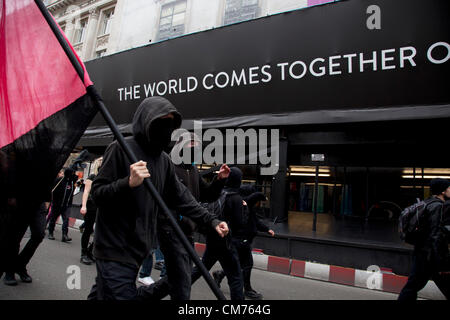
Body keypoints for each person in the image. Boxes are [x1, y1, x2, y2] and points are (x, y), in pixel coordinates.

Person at [87, 96, 229, 300]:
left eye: (171, 123)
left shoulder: (164, 161)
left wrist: (211, 220)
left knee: (101, 294)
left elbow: (184, 198)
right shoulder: (120, 149)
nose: (166, 128)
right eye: (161, 122)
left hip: (138, 249)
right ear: (146, 121)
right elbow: (97, 195)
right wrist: (127, 182)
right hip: (114, 248)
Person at [213, 186, 275, 299]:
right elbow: (253, 197)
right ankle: (247, 289)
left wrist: (267, 229)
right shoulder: (243, 203)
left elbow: (255, 221)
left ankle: (220, 274)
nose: (257, 203)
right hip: (241, 241)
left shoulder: (248, 207)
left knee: (238, 265)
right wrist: (263, 196)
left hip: (243, 241)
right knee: (247, 265)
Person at [398, 178, 450, 300]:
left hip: (422, 252)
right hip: (431, 255)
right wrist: (442, 262)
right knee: (412, 286)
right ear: (443, 191)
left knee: (412, 286)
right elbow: (436, 235)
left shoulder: (427, 203)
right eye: (449, 187)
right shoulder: (438, 207)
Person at [79, 158, 102, 265]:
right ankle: (83, 254)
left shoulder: (105, 177)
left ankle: (90, 251)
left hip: (101, 207)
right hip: (91, 206)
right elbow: (86, 192)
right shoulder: (92, 177)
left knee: (100, 231)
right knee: (88, 229)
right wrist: (83, 206)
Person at [47, 167, 77, 242]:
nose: (73, 175)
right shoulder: (59, 180)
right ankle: (50, 233)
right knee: (53, 219)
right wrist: (54, 201)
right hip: (57, 204)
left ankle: (65, 235)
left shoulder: (72, 182)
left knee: (66, 220)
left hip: (66, 205)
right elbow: (53, 191)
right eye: (72, 173)